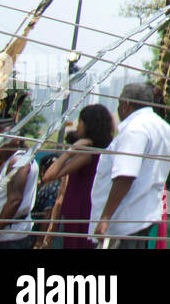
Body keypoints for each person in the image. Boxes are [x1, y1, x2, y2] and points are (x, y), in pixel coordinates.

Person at [89, 83, 170, 249]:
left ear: (126, 105)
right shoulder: (162, 126)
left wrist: (105, 219)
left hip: (124, 220)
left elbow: (125, 176)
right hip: (141, 215)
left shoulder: (135, 129)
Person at [42, 103, 116, 249]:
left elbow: (49, 176)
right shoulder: (104, 151)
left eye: (80, 122)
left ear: (88, 125)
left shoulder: (87, 154)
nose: (77, 126)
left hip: (77, 213)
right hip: (87, 212)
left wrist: (71, 150)